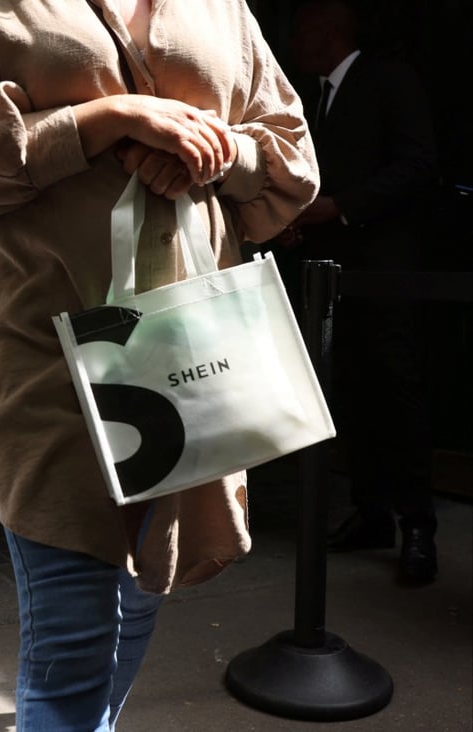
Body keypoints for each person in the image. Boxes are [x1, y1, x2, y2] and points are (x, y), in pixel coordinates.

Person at [0, 1, 319, 729]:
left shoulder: (222, 7)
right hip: (39, 342)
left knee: (139, 591)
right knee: (72, 623)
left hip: (185, 345)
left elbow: (292, 158)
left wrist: (211, 146)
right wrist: (109, 121)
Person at [286, 0, 439, 585]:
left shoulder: (387, 80)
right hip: (331, 274)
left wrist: (339, 208)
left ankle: (416, 526)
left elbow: (418, 166)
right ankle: (371, 513)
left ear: (327, 28)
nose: (294, 38)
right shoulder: (315, 96)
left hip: (385, 268)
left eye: (301, 25)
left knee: (396, 390)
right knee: (348, 388)